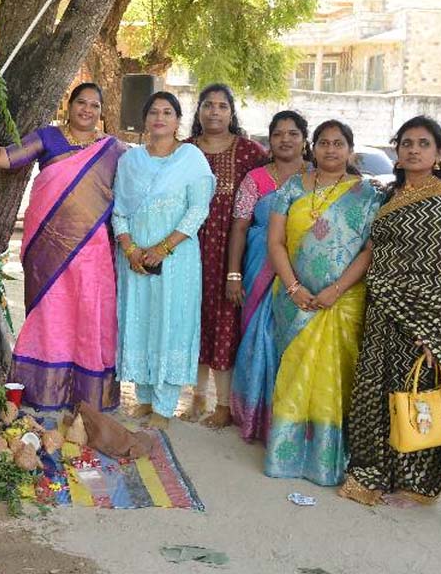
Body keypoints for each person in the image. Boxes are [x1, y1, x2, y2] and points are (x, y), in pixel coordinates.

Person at [0, 83, 127, 411]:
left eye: (94, 105)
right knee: (51, 313)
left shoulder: (114, 150)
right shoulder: (47, 137)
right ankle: (46, 391)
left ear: (101, 111)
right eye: (81, 103)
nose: (87, 110)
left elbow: (141, 184)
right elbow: (2, 158)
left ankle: (87, 396)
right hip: (48, 248)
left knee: (89, 315)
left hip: (93, 250)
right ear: (68, 106)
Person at [340, 116, 441, 507]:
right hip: (381, 310)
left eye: (423, 143)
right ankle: (373, 473)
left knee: (414, 395)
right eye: (407, 142)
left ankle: (414, 482)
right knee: (375, 393)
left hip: (421, 316)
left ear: (439, 152)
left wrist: (431, 330)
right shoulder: (390, 195)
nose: (413, 149)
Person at [264, 120, 381, 486]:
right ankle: (286, 455)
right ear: (313, 148)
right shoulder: (292, 188)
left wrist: (337, 289)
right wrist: (294, 286)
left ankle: (325, 459)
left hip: (342, 300)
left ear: (350, 150)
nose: (331, 150)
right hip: (293, 298)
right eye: (324, 143)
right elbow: (276, 243)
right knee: (295, 372)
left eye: (339, 143)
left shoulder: (367, 195)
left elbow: (368, 250)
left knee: (334, 377)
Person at [113, 92, 215, 429]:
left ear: (177, 120)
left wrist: (163, 249)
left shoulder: (191, 158)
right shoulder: (130, 161)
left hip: (176, 258)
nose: (160, 117)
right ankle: (143, 398)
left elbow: (198, 209)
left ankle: (165, 405)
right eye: (153, 111)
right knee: (140, 319)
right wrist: (130, 250)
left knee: (171, 322)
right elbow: (119, 212)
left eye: (167, 112)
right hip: (135, 258)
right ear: (144, 120)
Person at [185, 83, 268, 427]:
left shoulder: (250, 152)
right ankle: (196, 399)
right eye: (208, 105)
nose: (215, 112)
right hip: (188, 249)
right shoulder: (185, 151)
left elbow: (270, 188)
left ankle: (224, 405)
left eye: (222, 106)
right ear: (199, 111)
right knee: (193, 322)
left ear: (232, 113)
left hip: (231, 252)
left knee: (224, 322)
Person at [228, 111, 313, 443]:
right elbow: (239, 226)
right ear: (270, 139)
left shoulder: (317, 177)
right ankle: (257, 418)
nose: (285, 140)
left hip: (304, 271)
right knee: (259, 340)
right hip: (260, 266)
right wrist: (234, 274)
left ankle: (292, 418)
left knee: (295, 341)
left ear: (304, 139)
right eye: (278, 134)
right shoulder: (256, 179)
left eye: (293, 133)